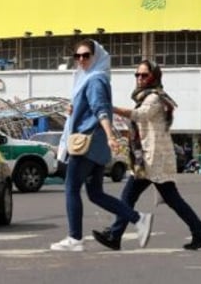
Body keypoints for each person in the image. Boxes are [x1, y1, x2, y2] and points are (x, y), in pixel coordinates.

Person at [92, 59, 201, 252]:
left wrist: (111, 108)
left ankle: (115, 235)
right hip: (148, 158)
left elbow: (139, 115)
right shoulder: (146, 97)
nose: (140, 79)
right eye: (137, 75)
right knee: (159, 198)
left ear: (154, 77)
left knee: (135, 197)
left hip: (154, 159)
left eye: (144, 75)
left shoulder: (155, 98)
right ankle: (199, 231)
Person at [50, 40, 154, 252]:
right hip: (96, 146)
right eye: (77, 56)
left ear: (95, 56)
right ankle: (138, 219)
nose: (81, 60)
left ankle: (75, 239)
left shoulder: (95, 80)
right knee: (95, 193)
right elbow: (93, 108)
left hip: (87, 143)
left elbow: (100, 110)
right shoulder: (94, 78)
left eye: (86, 55)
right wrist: (75, 110)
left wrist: (110, 136)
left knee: (71, 188)